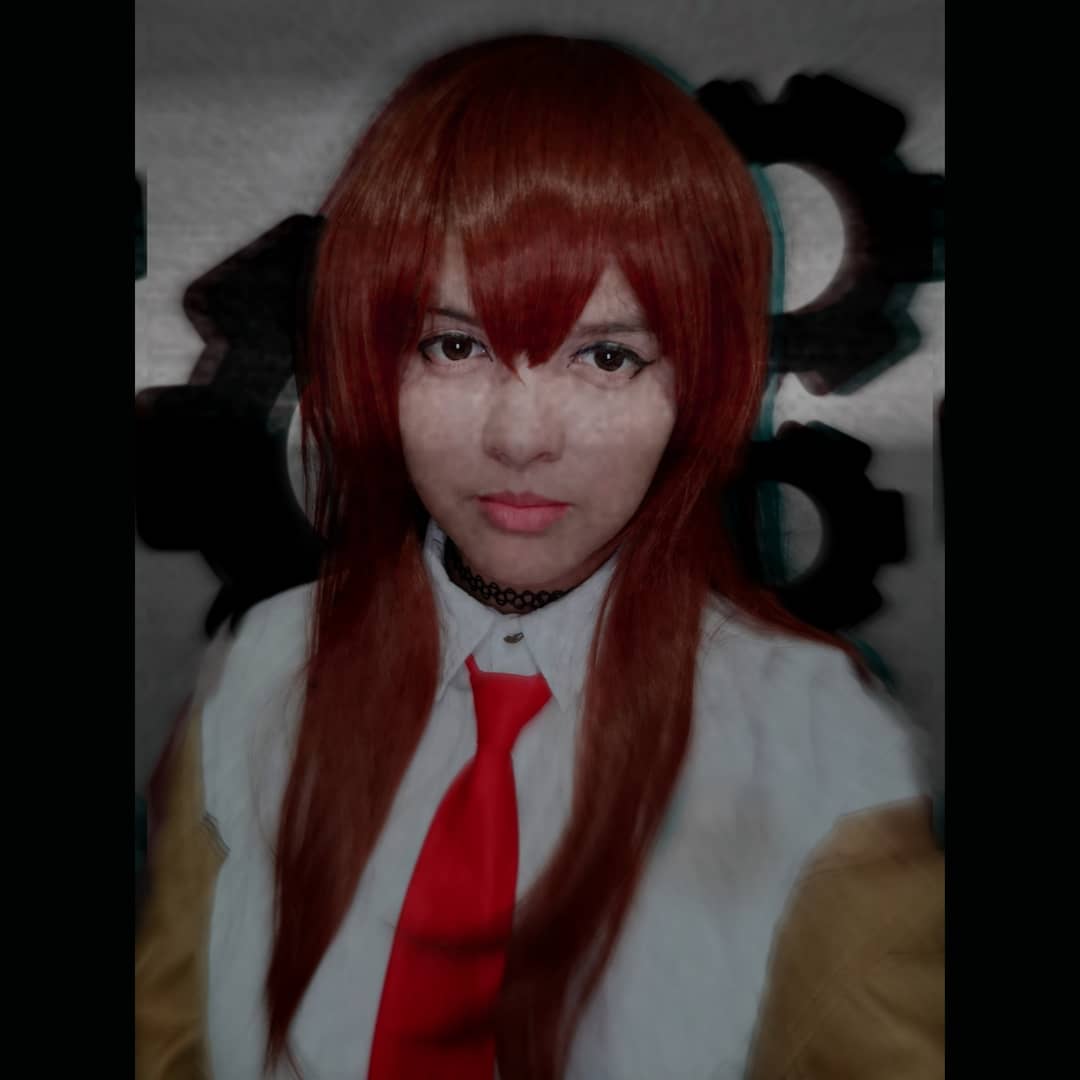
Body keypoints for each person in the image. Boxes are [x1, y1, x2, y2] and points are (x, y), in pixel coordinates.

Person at [135, 32, 937, 1080]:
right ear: (376, 362)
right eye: (454, 345)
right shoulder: (261, 675)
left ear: (699, 383)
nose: (520, 438)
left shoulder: (814, 737)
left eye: (607, 356)